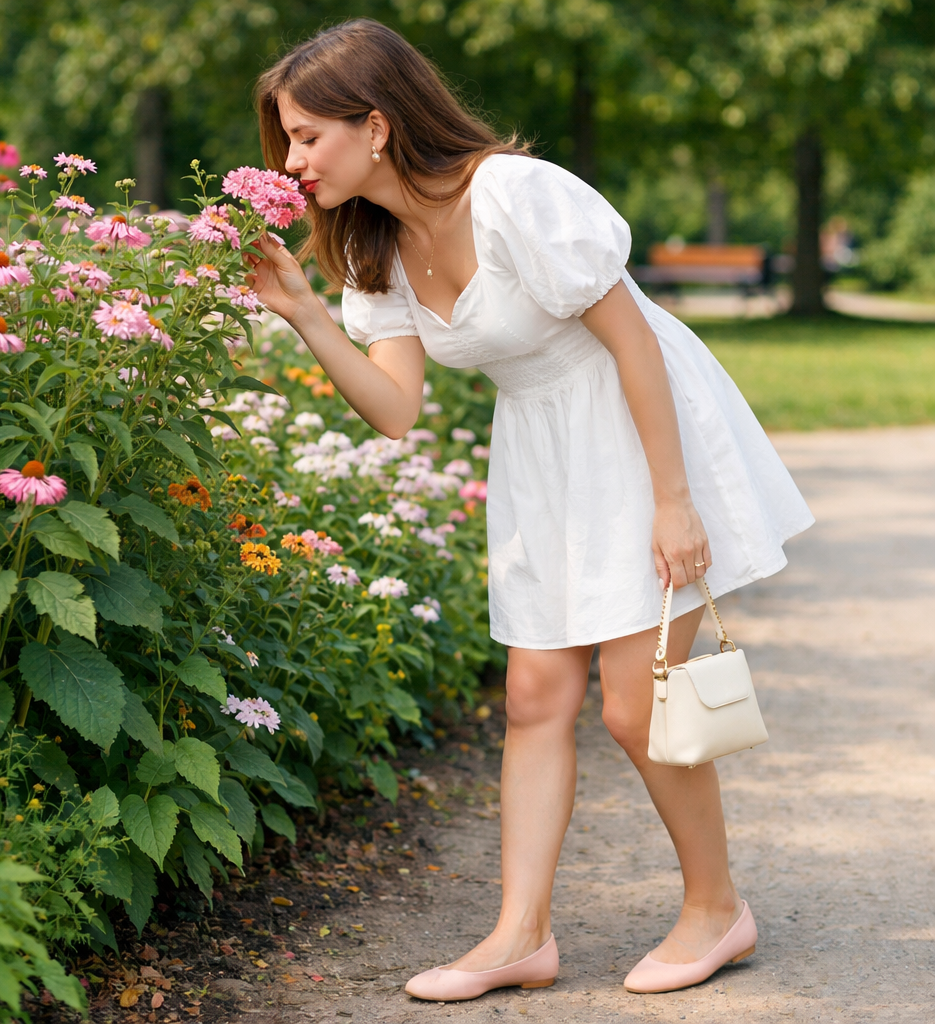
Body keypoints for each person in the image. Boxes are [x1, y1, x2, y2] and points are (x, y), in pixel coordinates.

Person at [248, 19, 813, 1001]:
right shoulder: (370, 244)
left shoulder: (513, 195)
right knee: (533, 700)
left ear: (375, 126)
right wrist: (302, 311)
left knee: (638, 706)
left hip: (639, 428)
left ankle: (716, 907)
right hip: (541, 455)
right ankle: (519, 935)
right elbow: (392, 411)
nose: (291, 160)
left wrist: (673, 503)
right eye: (287, 139)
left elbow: (633, 342)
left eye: (306, 135)